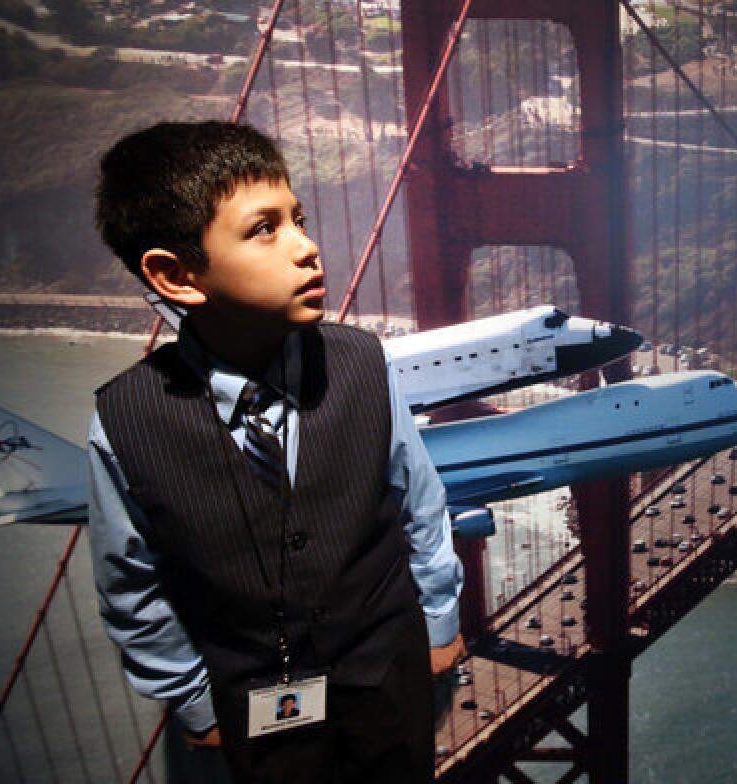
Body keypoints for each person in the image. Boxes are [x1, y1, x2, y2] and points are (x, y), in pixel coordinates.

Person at [88, 120, 466, 782]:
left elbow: (420, 505)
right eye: (265, 229)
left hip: (391, 679)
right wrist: (196, 705)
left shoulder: (363, 362)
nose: (308, 247)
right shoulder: (124, 420)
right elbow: (132, 588)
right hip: (253, 718)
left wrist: (439, 623)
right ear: (176, 276)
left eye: (299, 217)